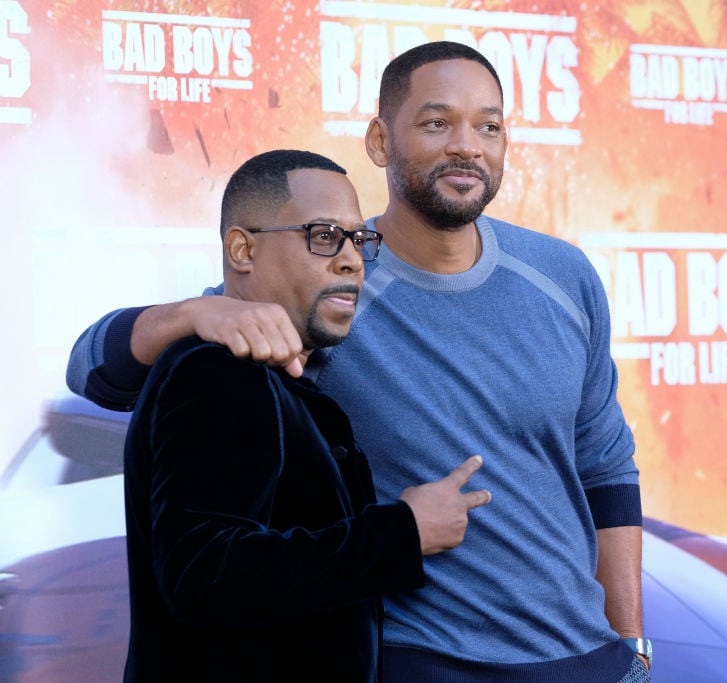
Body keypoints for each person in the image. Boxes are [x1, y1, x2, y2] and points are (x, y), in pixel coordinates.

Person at [69, 43, 651, 682]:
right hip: (423, 661)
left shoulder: (564, 276)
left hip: (588, 659)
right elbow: (94, 370)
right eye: (437, 123)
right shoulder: (329, 284)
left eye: (488, 126)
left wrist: (631, 647)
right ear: (380, 141)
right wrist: (191, 314)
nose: (467, 146)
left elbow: (605, 468)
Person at [119, 149, 490, 682]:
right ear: (243, 250)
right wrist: (402, 533)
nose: (352, 260)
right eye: (324, 235)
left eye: (359, 239)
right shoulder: (219, 372)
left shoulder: (269, 379)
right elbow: (206, 576)